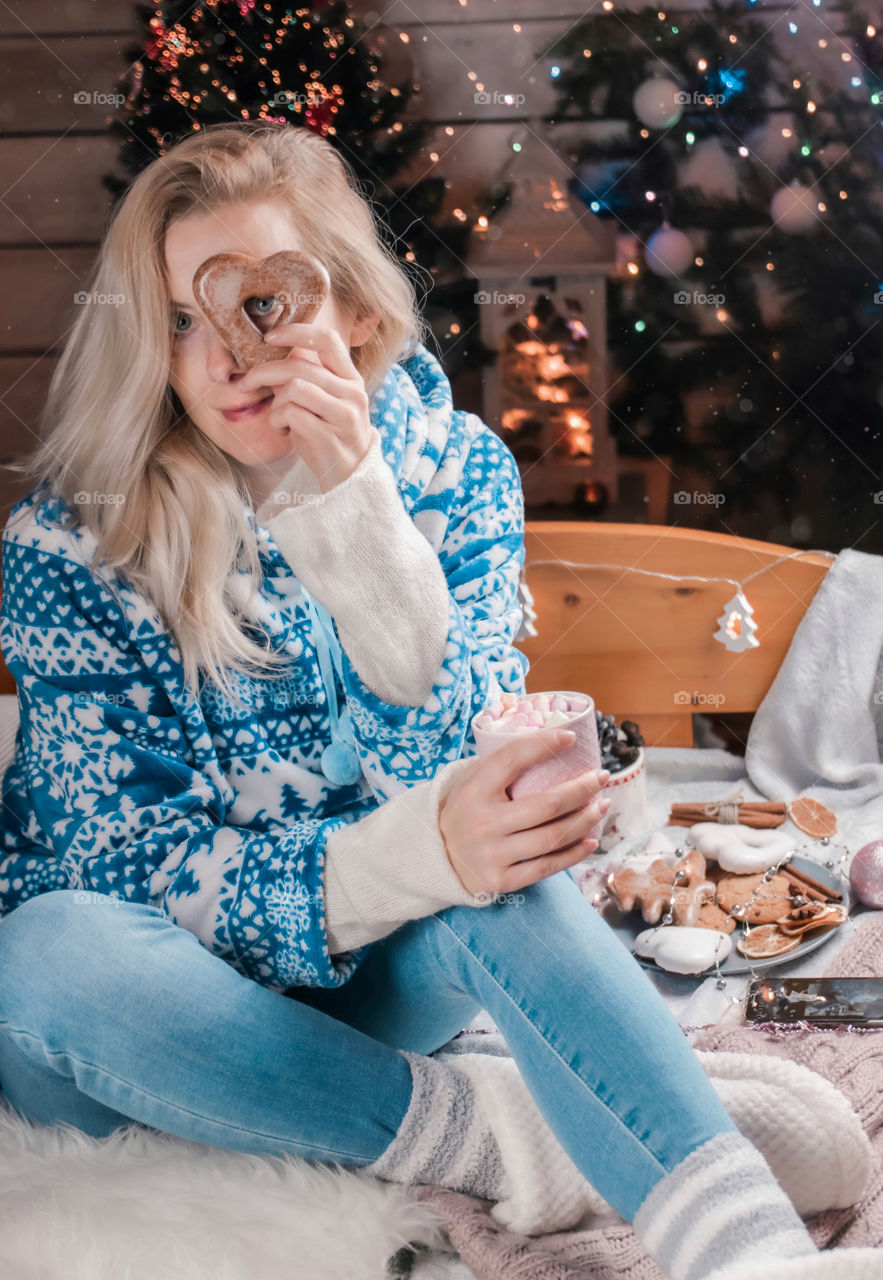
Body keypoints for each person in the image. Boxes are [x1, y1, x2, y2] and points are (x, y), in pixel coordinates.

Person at [0, 121, 875, 1280]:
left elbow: (461, 780)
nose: (224, 357)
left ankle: (750, 1256)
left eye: (264, 305)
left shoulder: (454, 473)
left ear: (357, 310)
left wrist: (356, 512)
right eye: (178, 321)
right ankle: (502, 1131)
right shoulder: (70, 543)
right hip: (145, 1017)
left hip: (373, 991)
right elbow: (132, 877)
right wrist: (408, 857)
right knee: (43, 949)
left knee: (496, 869)